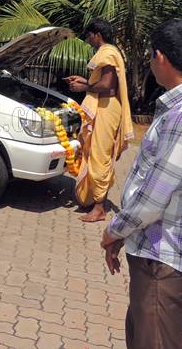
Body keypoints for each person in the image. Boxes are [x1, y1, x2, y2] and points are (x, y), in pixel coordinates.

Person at [100, 19, 182, 349]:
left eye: (152, 58)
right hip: (158, 248)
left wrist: (115, 230)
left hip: (162, 255)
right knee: (143, 334)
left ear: (160, 57)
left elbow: (154, 198)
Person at [64, 19, 134, 222]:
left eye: (89, 36)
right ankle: (94, 199)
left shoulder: (107, 53)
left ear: (98, 34)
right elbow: (104, 83)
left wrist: (85, 88)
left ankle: (99, 207)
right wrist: (85, 81)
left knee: (100, 157)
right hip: (106, 105)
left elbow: (107, 86)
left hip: (107, 107)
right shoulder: (109, 52)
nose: (88, 40)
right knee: (95, 152)